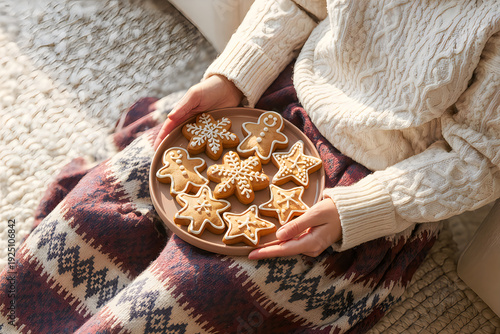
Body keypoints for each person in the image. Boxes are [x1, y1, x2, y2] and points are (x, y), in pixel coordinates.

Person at [1, 1, 498, 333]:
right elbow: (298, 4)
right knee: (94, 213)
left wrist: (360, 211)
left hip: (365, 187)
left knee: (180, 299)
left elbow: (480, 158)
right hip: (274, 108)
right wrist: (234, 77)